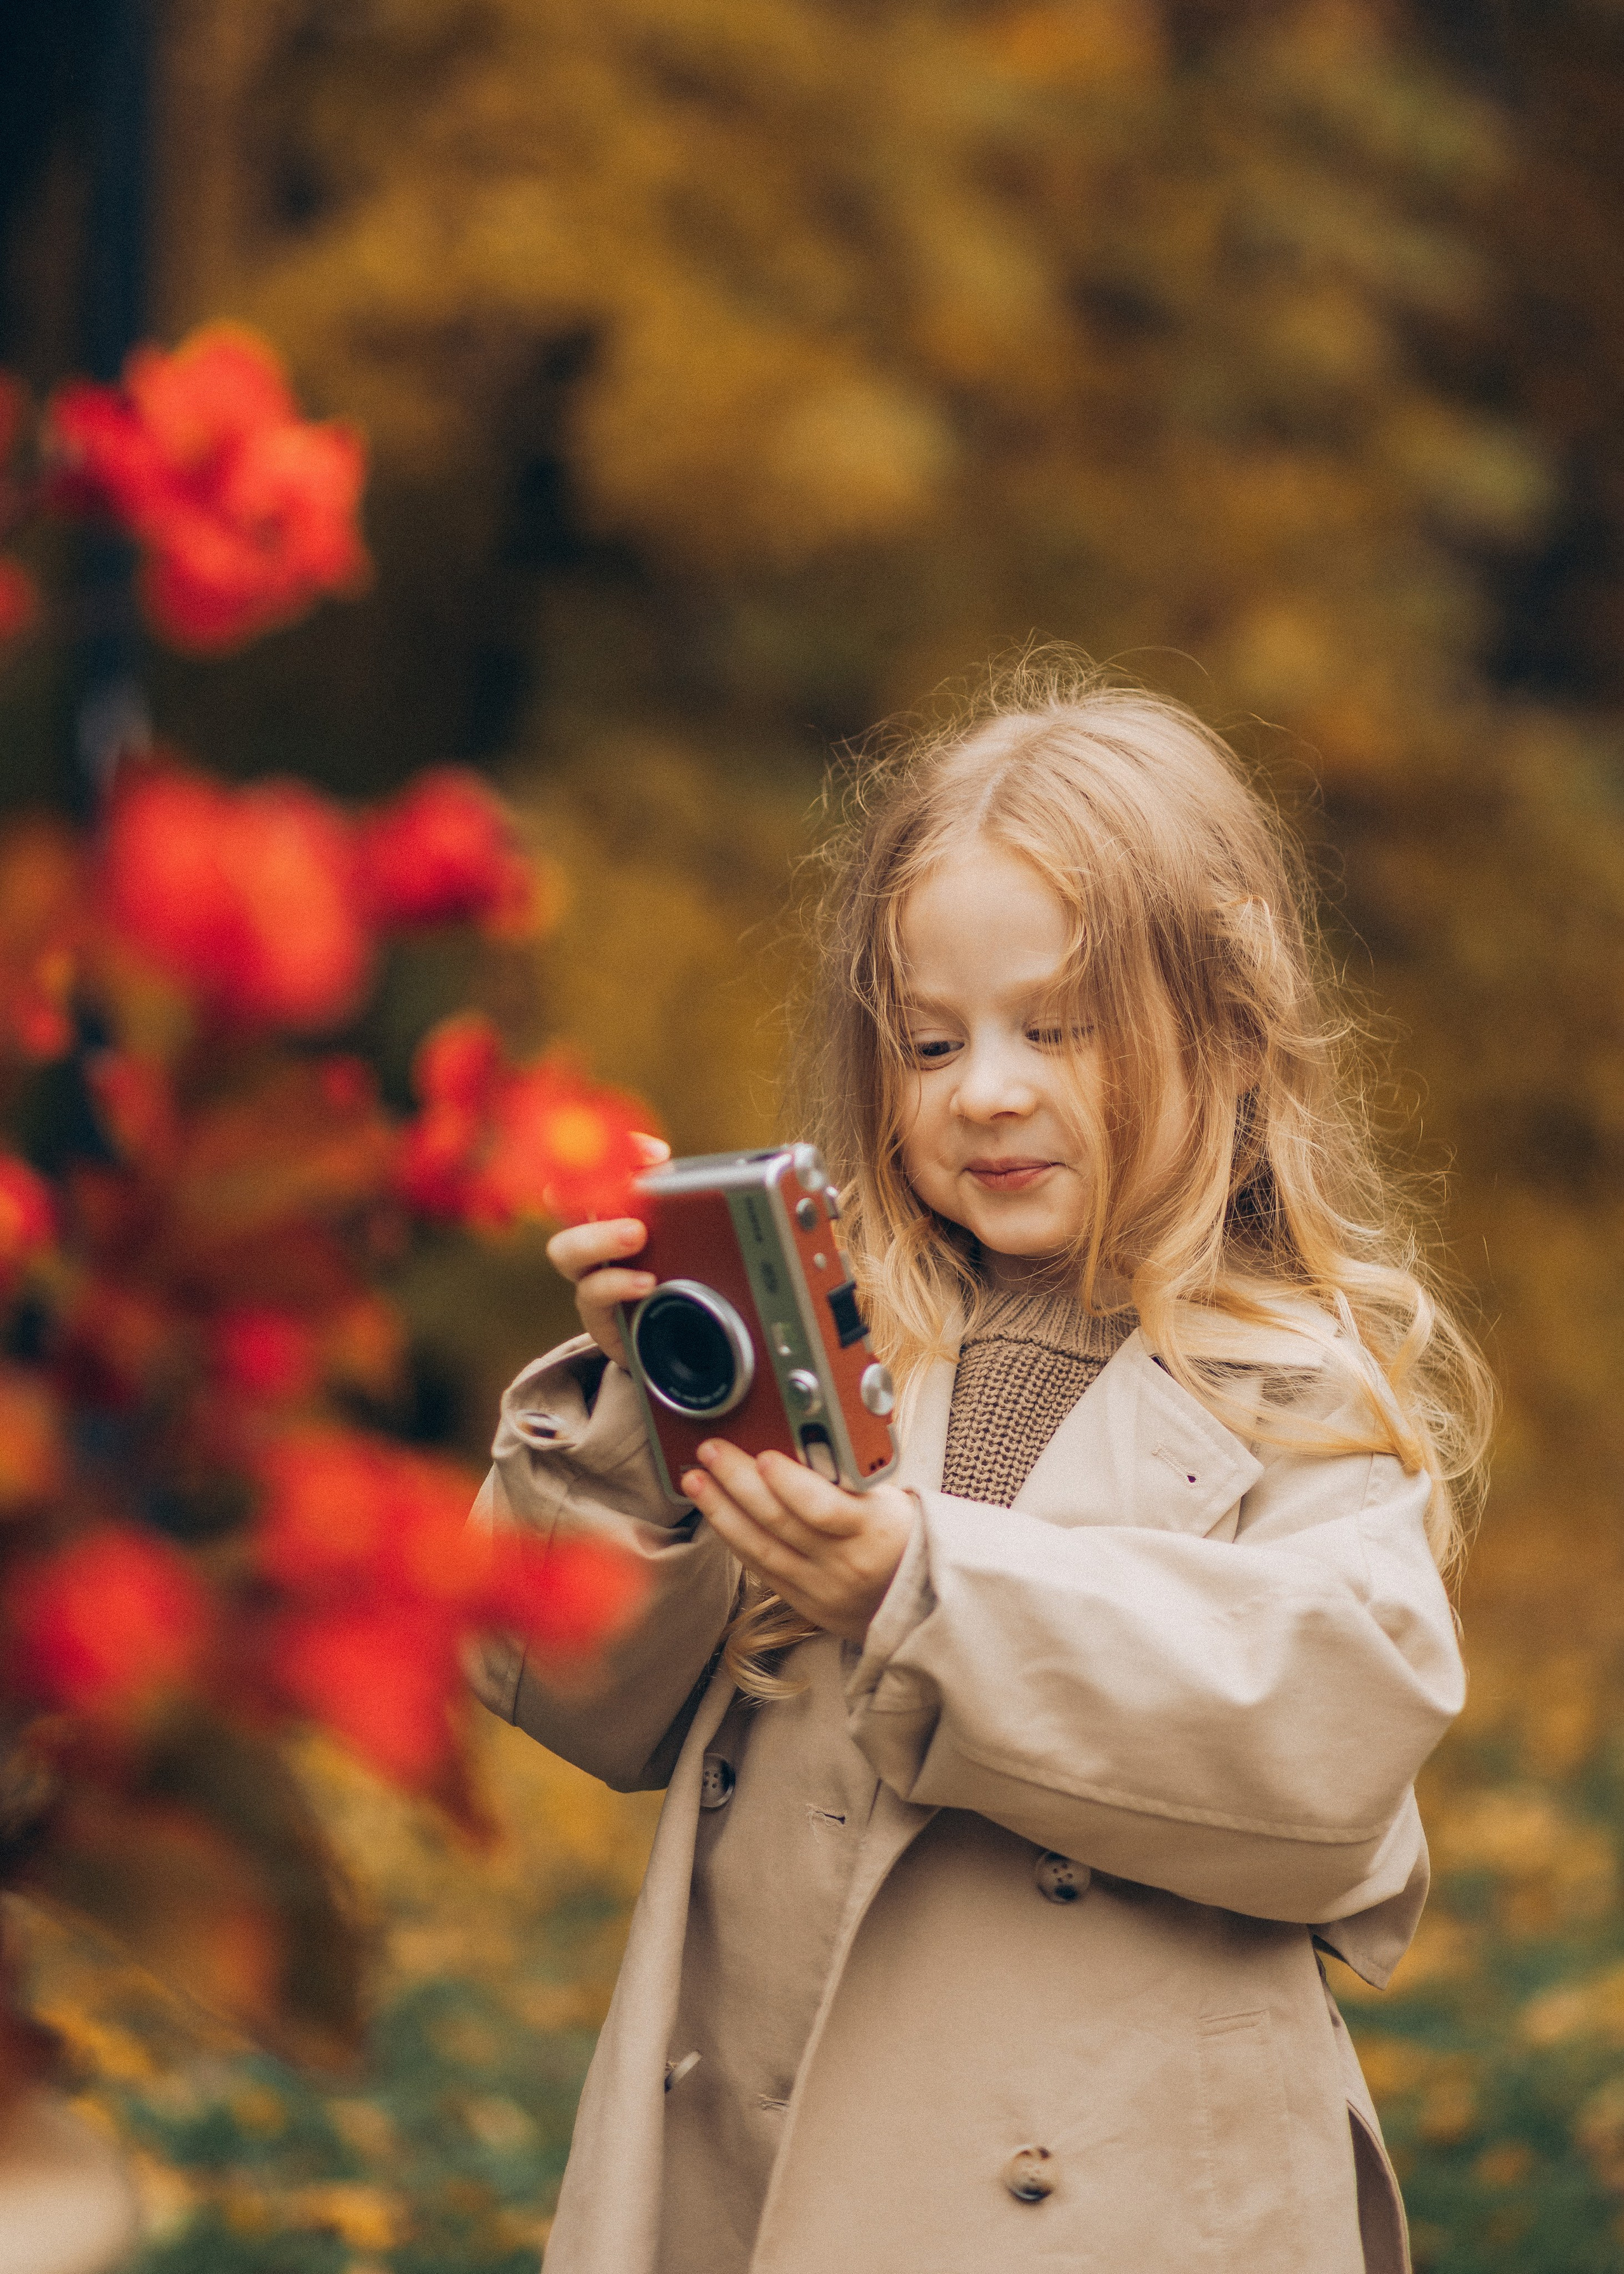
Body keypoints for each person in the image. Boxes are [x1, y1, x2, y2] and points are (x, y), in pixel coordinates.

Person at [469, 659, 1490, 2274]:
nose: (985, 1091)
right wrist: (646, 1411)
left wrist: (921, 1589)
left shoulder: (1291, 1386)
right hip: (762, 2166)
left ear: (1225, 1035)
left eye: (1057, 1029)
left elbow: (1328, 1740)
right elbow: (571, 1685)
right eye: (930, 1044)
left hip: (1117, 2192)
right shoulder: (842, 1345)